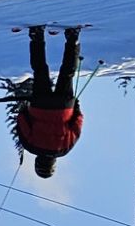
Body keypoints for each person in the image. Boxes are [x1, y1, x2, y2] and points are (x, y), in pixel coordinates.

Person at [16, 25, 84, 178]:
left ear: (53, 164)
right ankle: (37, 36)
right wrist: (26, 108)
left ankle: (73, 38)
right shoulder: (30, 146)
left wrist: (76, 106)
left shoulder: (65, 149)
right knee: (40, 70)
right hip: (40, 105)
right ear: (37, 162)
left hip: (63, 106)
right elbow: (22, 121)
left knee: (67, 73)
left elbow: (77, 124)